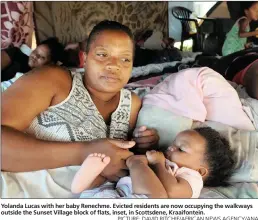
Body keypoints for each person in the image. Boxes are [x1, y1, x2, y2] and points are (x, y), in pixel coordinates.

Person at [1, 20, 159, 198]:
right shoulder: (53, 79)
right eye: (102, 54)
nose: (114, 65)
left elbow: (124, 156)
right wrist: (85, 152)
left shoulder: (132, 104)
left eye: (125, 59)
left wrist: (144, 144)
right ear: (84, 58)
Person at [71, 127, 235, 198]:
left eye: (181, 149)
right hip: (119, 191)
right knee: (103, 183)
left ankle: (82, 186)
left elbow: (171, 192)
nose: (171, 148)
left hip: (139, 199)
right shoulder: (166, 162)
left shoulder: (193, 179)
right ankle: (83, 183)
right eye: (173, 144)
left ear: (201, 171)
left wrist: (152, 163)